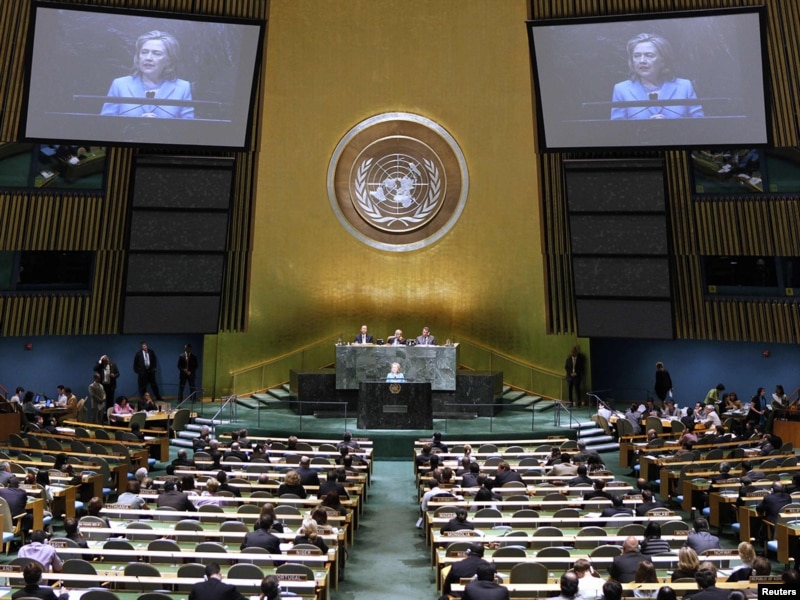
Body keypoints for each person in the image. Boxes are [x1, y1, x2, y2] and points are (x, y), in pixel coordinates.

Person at [101, 30, 194, 119]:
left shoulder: (182, 88)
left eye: (156, 53)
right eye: (144, 52)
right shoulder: (120, 85)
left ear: (169, 60)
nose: (148, 58)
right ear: (138, 56)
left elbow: (187, 126)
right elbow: (106, 123)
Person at [610, 33, 703, 120]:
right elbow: (617, 128)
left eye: (649, 55)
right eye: (637, 56)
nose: (642, 61)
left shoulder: (684, 86)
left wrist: (672, 126)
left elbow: (699, 124)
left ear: (663, 60)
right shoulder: (621, 89)